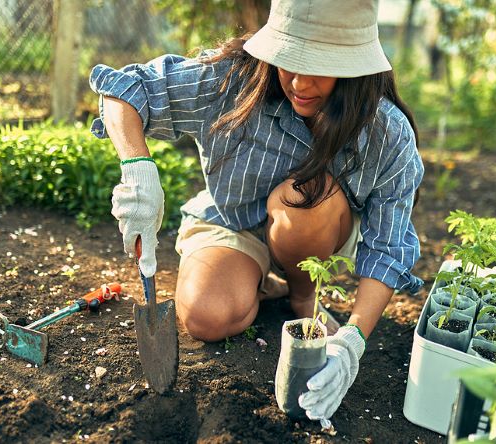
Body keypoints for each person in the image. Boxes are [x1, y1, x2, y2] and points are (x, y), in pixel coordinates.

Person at [89, 0, 424, 423]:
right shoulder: (233, 79)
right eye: (289, 61)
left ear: (355, 67)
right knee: (207, 317)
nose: (299, 82)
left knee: (302, 195)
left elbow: (388, 248)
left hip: (316, 229)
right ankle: (263, 283)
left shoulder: (384, 131)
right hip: (232, 221)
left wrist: (353, 341)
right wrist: (137, 168)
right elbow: (123, 89)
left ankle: (303, 295)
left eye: (318, 66)